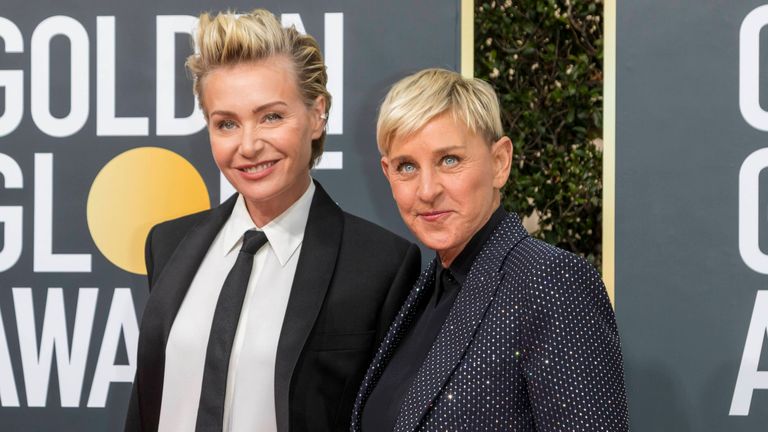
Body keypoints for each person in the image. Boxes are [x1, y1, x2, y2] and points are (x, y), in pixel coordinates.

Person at [124, 9, 420, 432]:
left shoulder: (381, 265)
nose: (248, 145)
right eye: (226, 123)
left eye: (271, 117)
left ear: (317, 115)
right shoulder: (168, 244)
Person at [351, 68, 628, 431]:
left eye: (449, 159)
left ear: (500, 162)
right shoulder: (421, 292)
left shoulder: (550, 283)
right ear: (388, 174)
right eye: (407, 166)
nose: (427, 190)